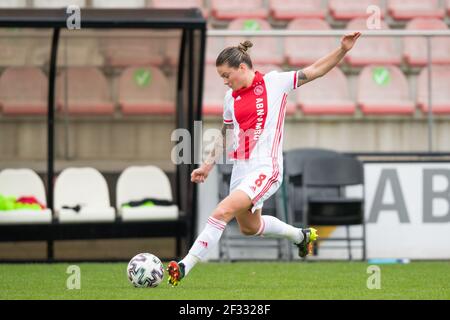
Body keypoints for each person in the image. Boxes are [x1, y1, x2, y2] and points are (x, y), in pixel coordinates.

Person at [167, 32, 361, 286]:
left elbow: (314, 71)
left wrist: (342, 50)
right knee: (249, 227)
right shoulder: (230, 99)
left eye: (227, 75)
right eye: (221, 77)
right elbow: (226, 133)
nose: (225, 82)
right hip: (241, 169)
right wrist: (207, 164)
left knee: (222, 211)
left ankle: (184, 266)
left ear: (242, 67)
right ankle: (301, 237)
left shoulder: (274, 83)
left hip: (266, 168)